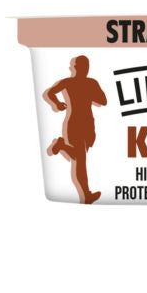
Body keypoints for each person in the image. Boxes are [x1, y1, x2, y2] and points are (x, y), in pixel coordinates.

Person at [43, 56, 107, 204]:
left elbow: (103, 101)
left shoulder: (90, 83)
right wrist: (57, 104)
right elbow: (49, 93)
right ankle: (86, 195)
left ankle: (61, 145)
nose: (85, 69)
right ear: (76, 68)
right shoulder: (70, 82)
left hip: (87, 124)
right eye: (83, 66)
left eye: (86, 66)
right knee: (81, 161)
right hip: (76, 124)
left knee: (78, 159)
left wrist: (58, 103)